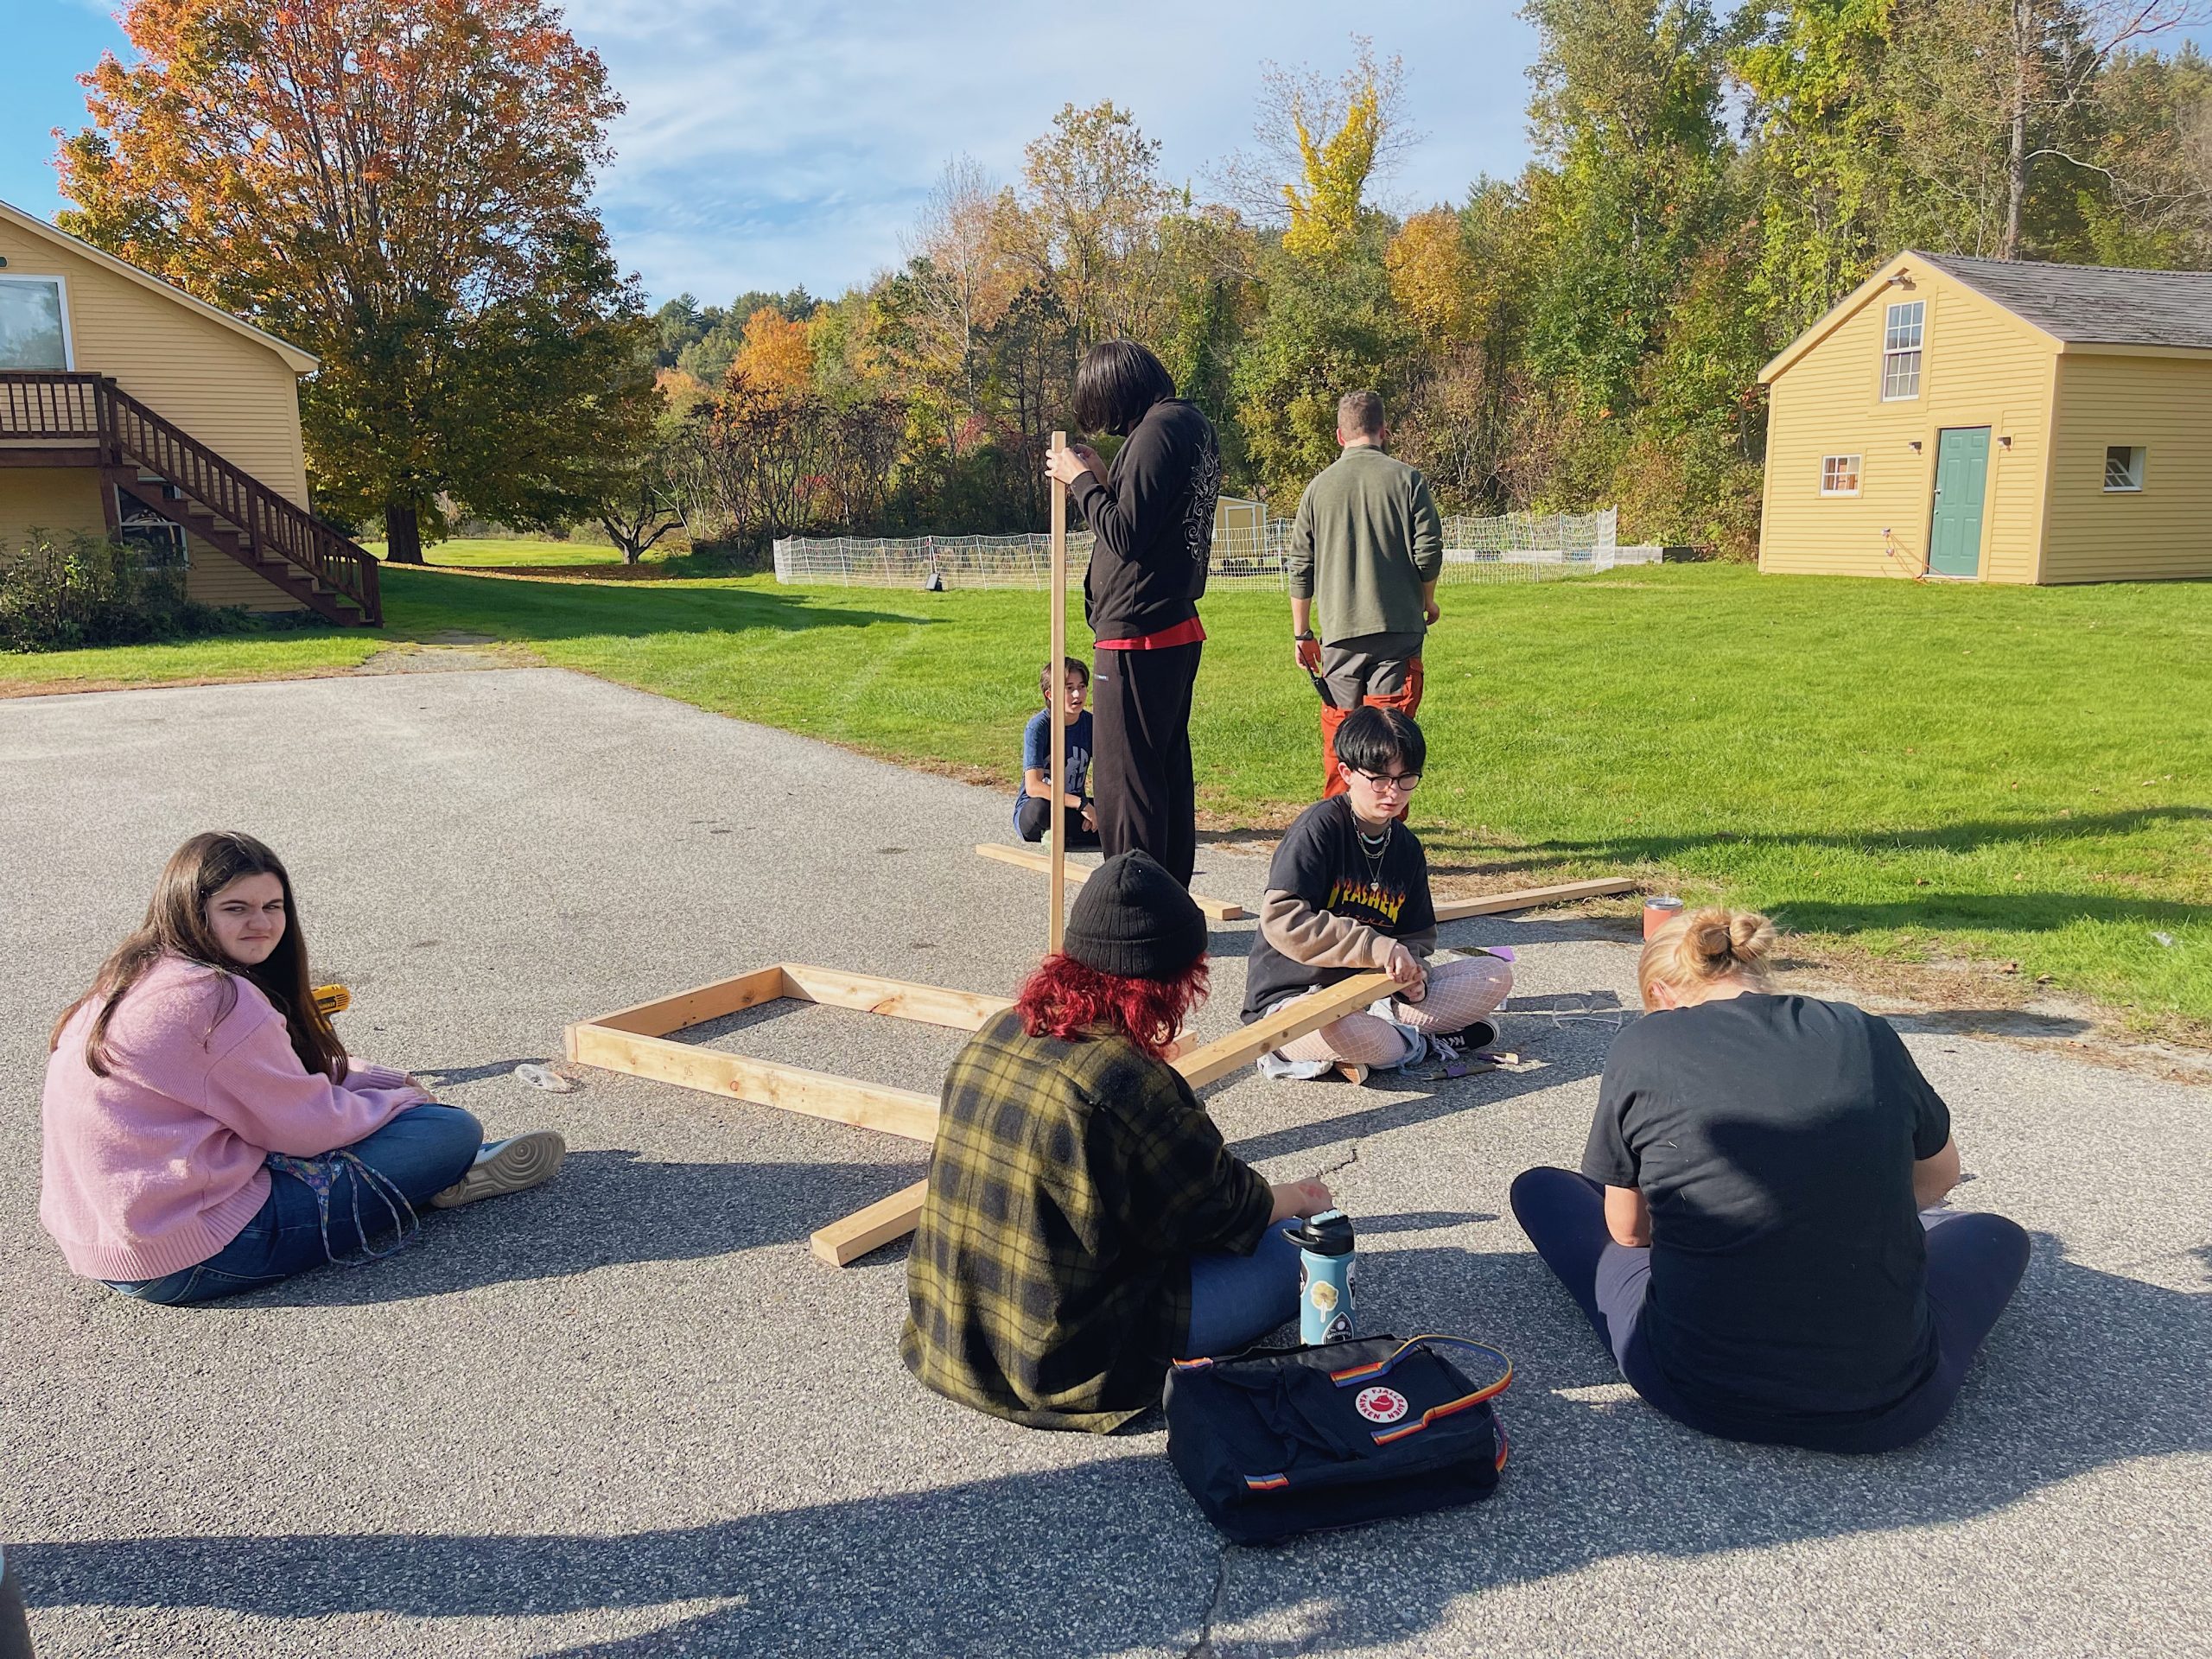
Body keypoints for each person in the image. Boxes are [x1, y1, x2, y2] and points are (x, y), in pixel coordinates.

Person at [1511, 908, 2031, 1454]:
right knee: (1997, 1234)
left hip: (1696, 1387)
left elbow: (1630, 1232)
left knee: (1543, 1188)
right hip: (1892, 1403)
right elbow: (1941, 1174)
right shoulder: (1862, 1029)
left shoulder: (1647, 1043)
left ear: (1662, 995)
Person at [903, 851, 1336, 1431]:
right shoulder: (1129, 1080)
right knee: (1305, 1255)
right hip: (1064, 1360)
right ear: (1174, 978)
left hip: (954, 1331)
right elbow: (1225, 1211)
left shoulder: (1001, 1027)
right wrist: (1301, 1198)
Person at [41, 831, 569, 1306]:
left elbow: (272, 1079)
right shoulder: (215, 1000)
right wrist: (401, 1100)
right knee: (448, 1131)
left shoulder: (134, 977)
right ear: (191, 911)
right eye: (236, 908)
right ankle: (440, 1177)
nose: (262, 923)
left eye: (273, 905)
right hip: (189, 1255)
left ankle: (422, 1180)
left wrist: (371, 1079)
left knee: (379, 1121)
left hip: (106, 1241)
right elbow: (309, 1129)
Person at [1241, 708, 1511, 1084]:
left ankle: (1402, 1040)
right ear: (1347, 773)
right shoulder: (1319, 828)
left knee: (1494, 975)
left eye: (1406, 779)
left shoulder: (1406, 847)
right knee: (1349, 1031)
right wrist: (1376, 947)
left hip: (1373, 995)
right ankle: (1426, 1045)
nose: (1394, 792)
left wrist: (1413, 975)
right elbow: (1283, 919)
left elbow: (1415, 937)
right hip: (1295, 1000)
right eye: (1380, 778)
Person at [1045, 340, 1222, 887]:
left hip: (1138, 636)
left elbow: (1124, 533)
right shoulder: (1190, 426)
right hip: (1169, 625)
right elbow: (1149, 517)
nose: (1108, 425)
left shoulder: (1157, 433)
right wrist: (1102, 476)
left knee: (1127, 788)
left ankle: (1133, 912)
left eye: (1102, 407)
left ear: (1118, 391)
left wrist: (1079, 483)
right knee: (1163, 774)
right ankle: (1169, 904)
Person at [1287, 391, 1446, 801]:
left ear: (1340, 435)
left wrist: (1302, 634)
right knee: (1390, 738)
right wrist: (1427, 601)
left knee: (1343, 737)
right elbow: (1428, 553)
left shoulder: (1317, 488)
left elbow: (1300, 566)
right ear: (1384, 431)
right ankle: (1386, 836)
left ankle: (1338, 831)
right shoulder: (1408, 479)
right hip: (1398, 630)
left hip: (1339, 634)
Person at [1014, 656, 1097, 849]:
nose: (1078, 695)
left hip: (1072, 806)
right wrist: (1082, 805)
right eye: (1069, 688)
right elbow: (1033, 786)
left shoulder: (1091, 724)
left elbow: (1107, 773)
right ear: (1050, 694)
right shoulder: (1039, 727)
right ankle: (1069, 831)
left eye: (1082, 686)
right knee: (1042, 808)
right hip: (1039, 809)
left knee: (1121, 812)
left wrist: (1095, 808)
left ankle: (1075, 831)